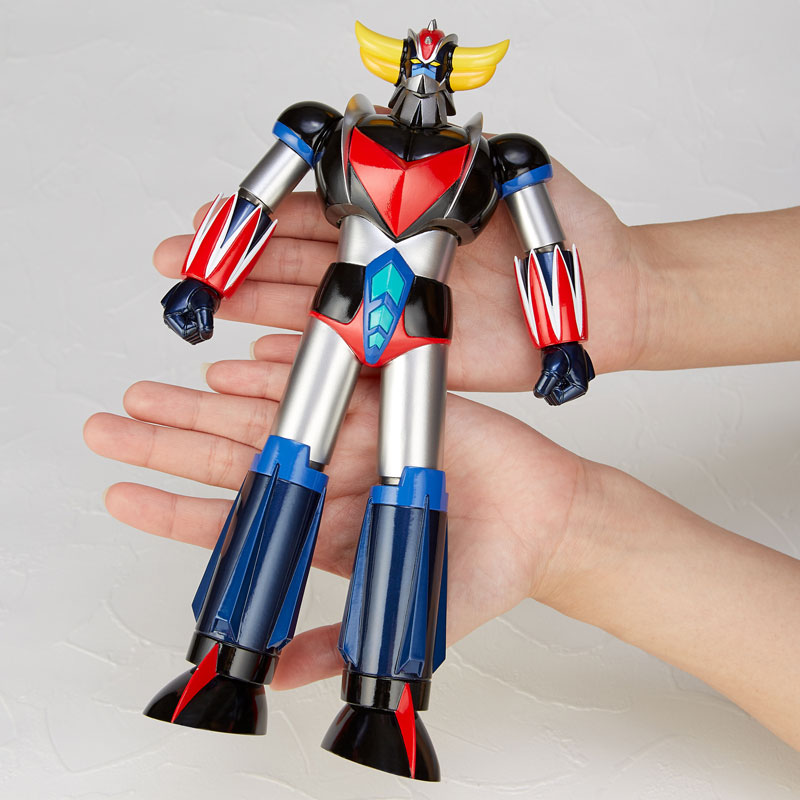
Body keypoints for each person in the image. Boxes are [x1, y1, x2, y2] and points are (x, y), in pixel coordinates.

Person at [83, 159, 800, 751]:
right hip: (346, 303)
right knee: (287, 463)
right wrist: (204, 278)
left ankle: (386, 702)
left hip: (422, 315)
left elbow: (544, 246)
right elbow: (255, 198)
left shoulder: (497, 154)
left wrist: (564, 338)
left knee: (404, 483)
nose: (425, 65)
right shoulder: (337, 128)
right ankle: (224, 666)